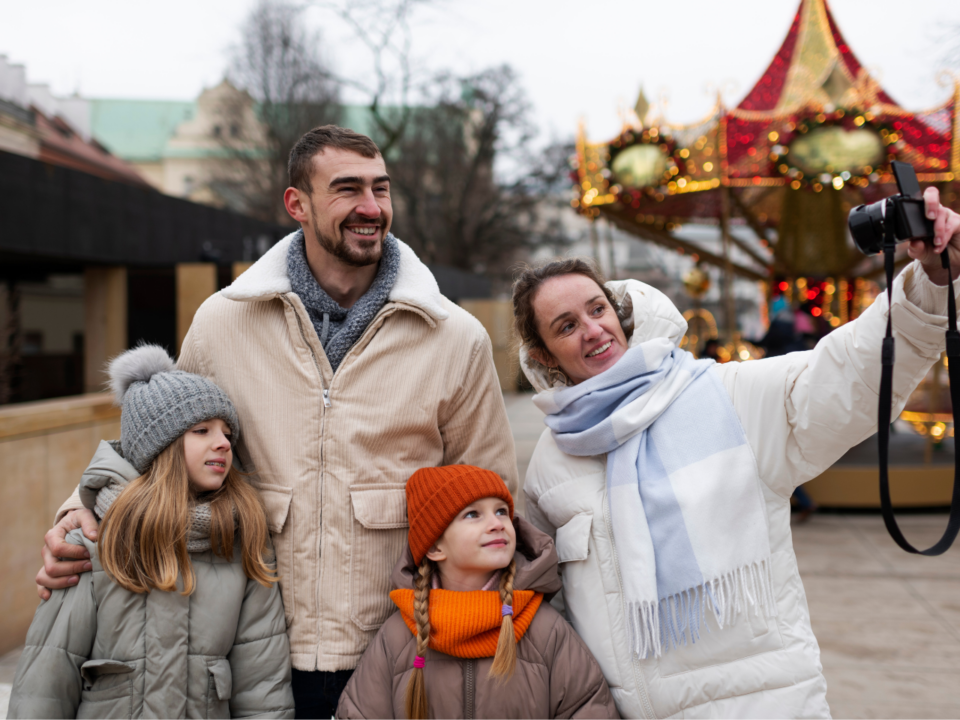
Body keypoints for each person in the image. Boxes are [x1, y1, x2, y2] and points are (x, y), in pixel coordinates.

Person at [36, 125, 517, 718]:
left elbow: (494, 490)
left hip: (400, 651)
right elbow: (157, 446)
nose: (371, 208)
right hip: (249, 653)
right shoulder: (223, 320)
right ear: (297, 204)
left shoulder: (455, 336)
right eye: (347, 190)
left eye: (381, 189)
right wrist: (79, 507)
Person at [511, 187, 960, 719]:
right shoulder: (550, 460)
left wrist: (933, 282)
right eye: (567, 326)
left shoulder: (728, 395)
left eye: (597, 309)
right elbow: (549, 610)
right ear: (543, 354)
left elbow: (848, 371)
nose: (593, 330)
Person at [9, 345, 293, 719]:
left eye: (226, 432)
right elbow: (45, 684)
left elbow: (262, 685)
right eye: (202, 430)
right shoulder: (94, 544)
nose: (224, 442)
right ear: (162, 446)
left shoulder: (242, 541)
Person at [336, 465, 619, 719]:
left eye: (501, 511)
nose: (497, 523)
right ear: (434, 547)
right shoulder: (398, 636)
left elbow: (588, 707)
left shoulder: (543, 628)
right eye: (472, 514)